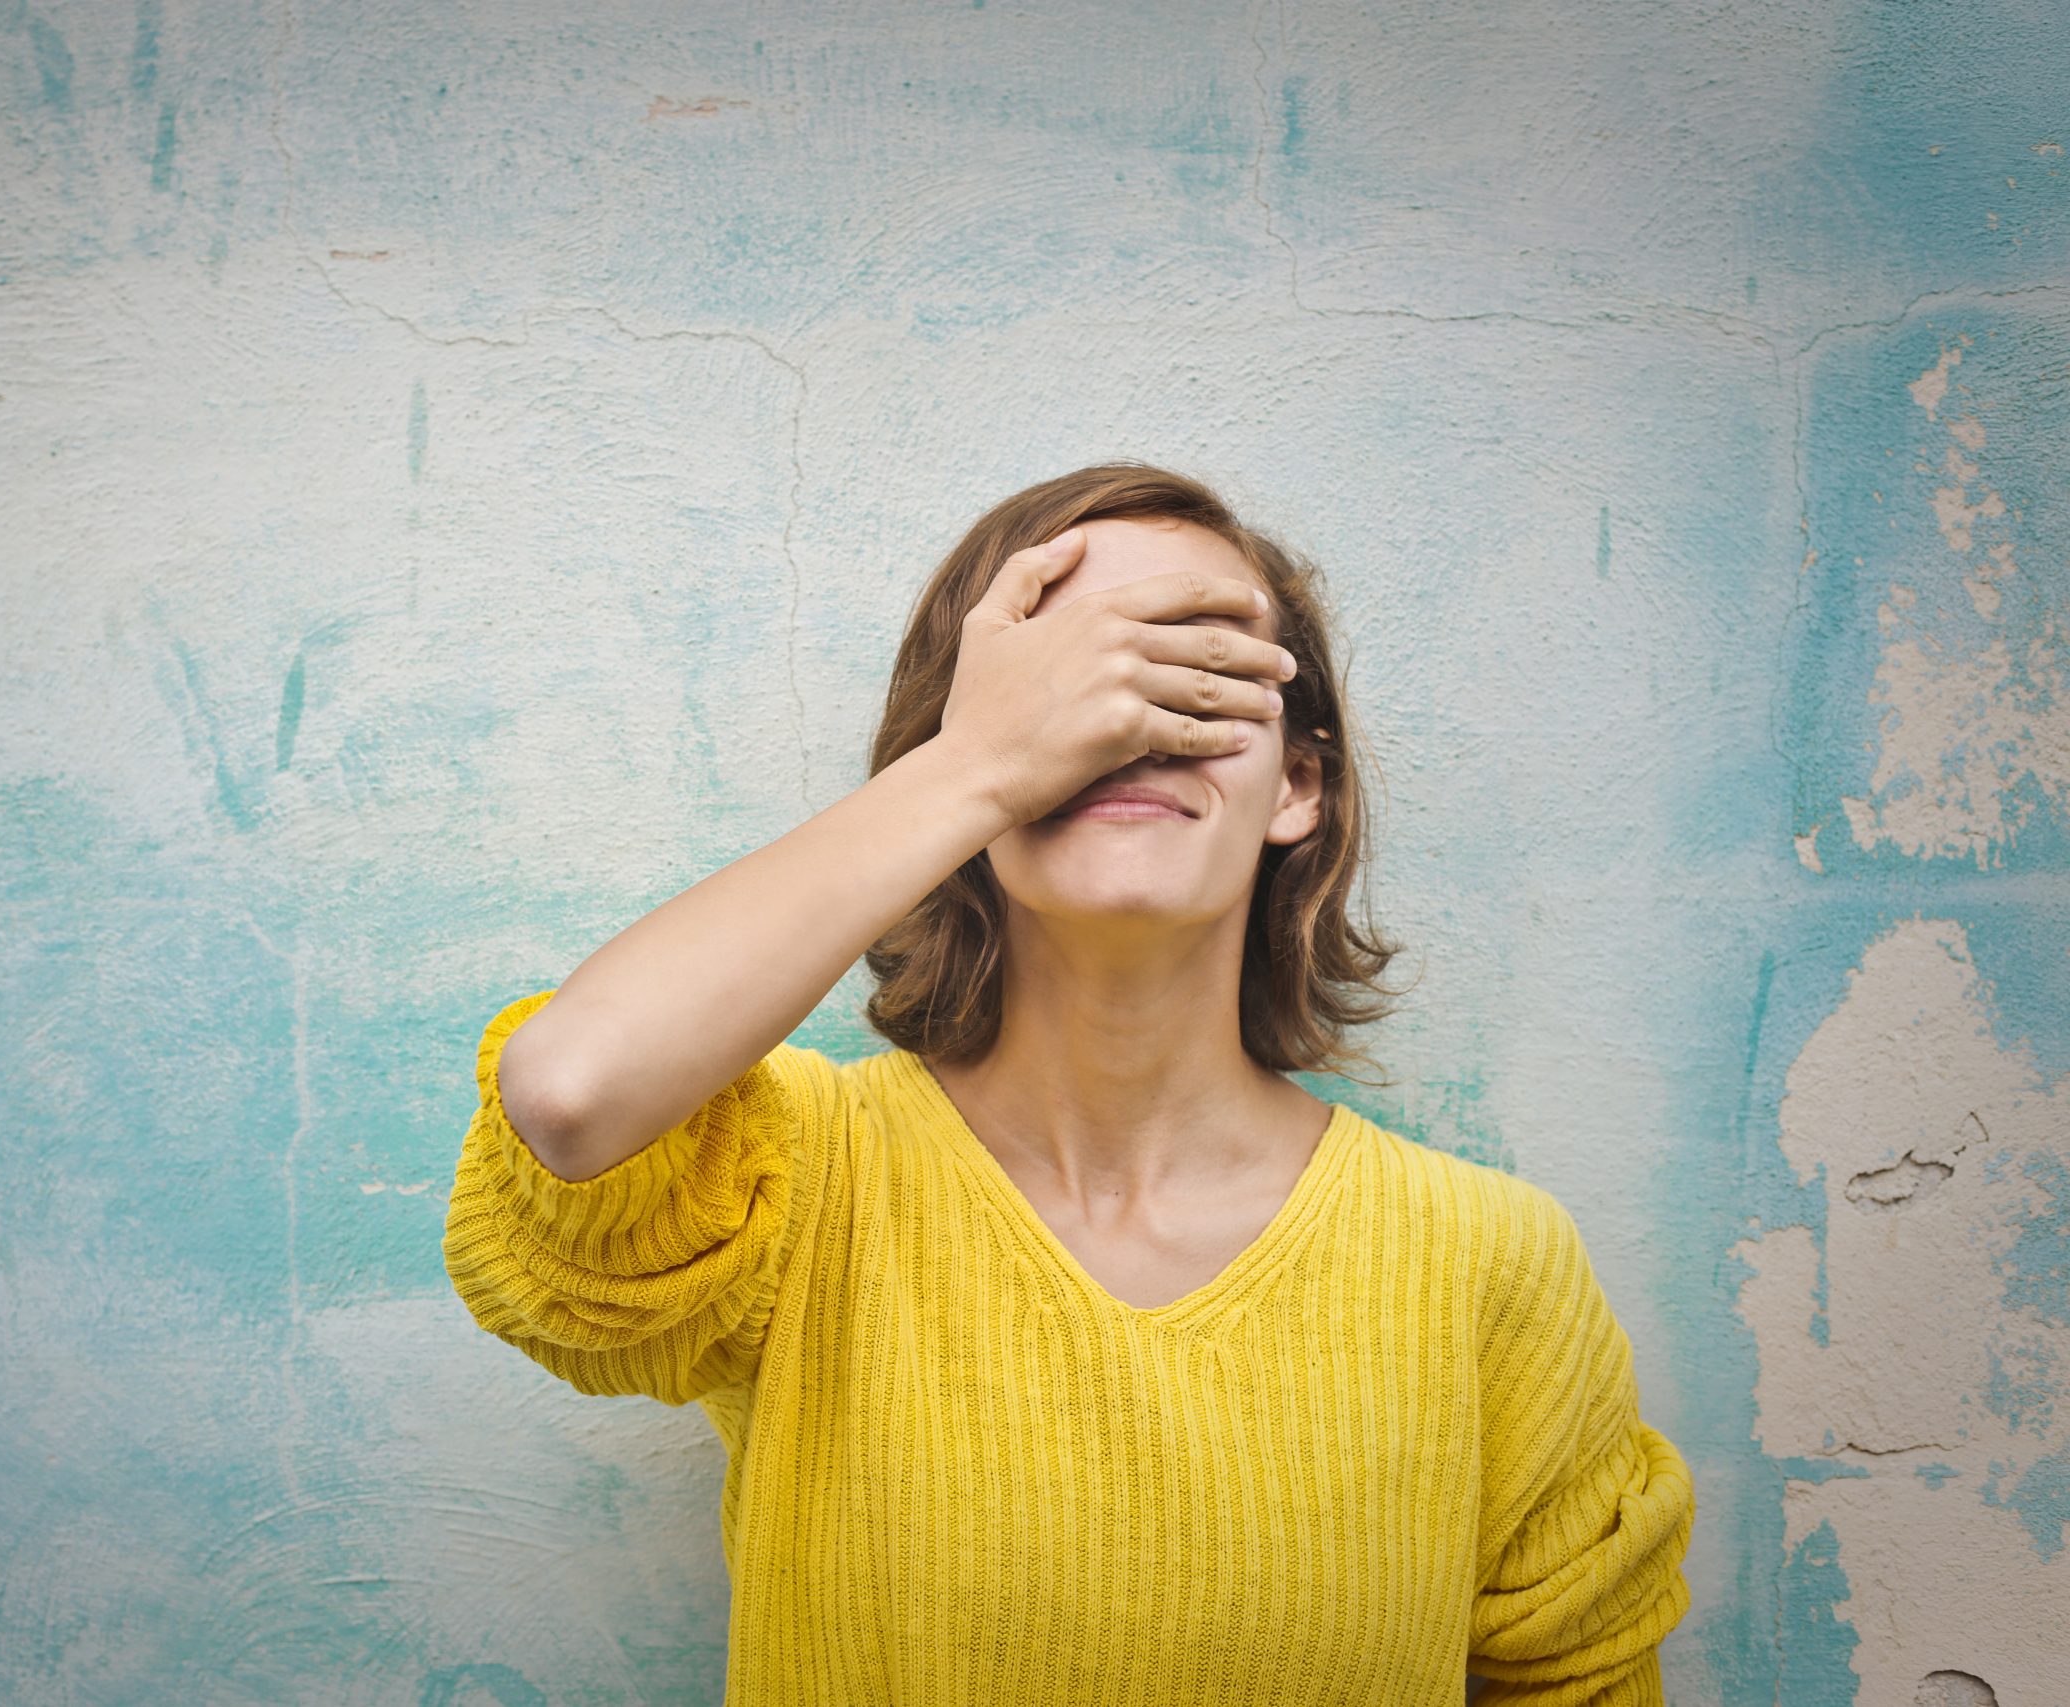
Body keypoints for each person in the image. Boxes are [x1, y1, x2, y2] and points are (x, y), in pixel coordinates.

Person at [442, 461, 1695, 1703]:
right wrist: (981, 765)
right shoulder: (797, 1180)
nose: (1123, 719)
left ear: (1297, 784)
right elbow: (571, 1096)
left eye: (1196, 666)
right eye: (1060, 674)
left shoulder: (1485, 1261)